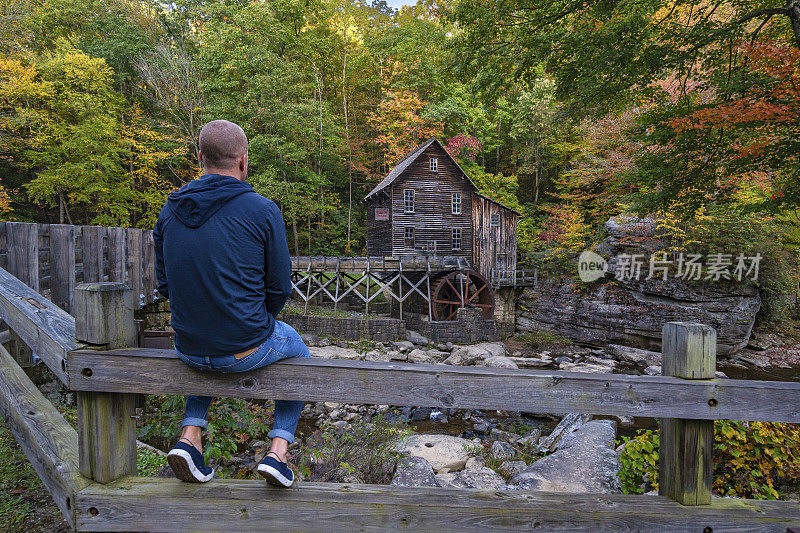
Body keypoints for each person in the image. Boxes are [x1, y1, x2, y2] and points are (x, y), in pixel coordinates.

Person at [153, 119, 310, 487]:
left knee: (211, 335)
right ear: (243, 161)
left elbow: (164, 286)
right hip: (245, 347)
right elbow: (279, 287)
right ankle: (278, 452)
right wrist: (255, 325)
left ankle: (190, 436)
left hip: (188, 348)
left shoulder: (169, 211)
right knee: (299, 347)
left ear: (201, 158)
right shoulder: (263, 210)